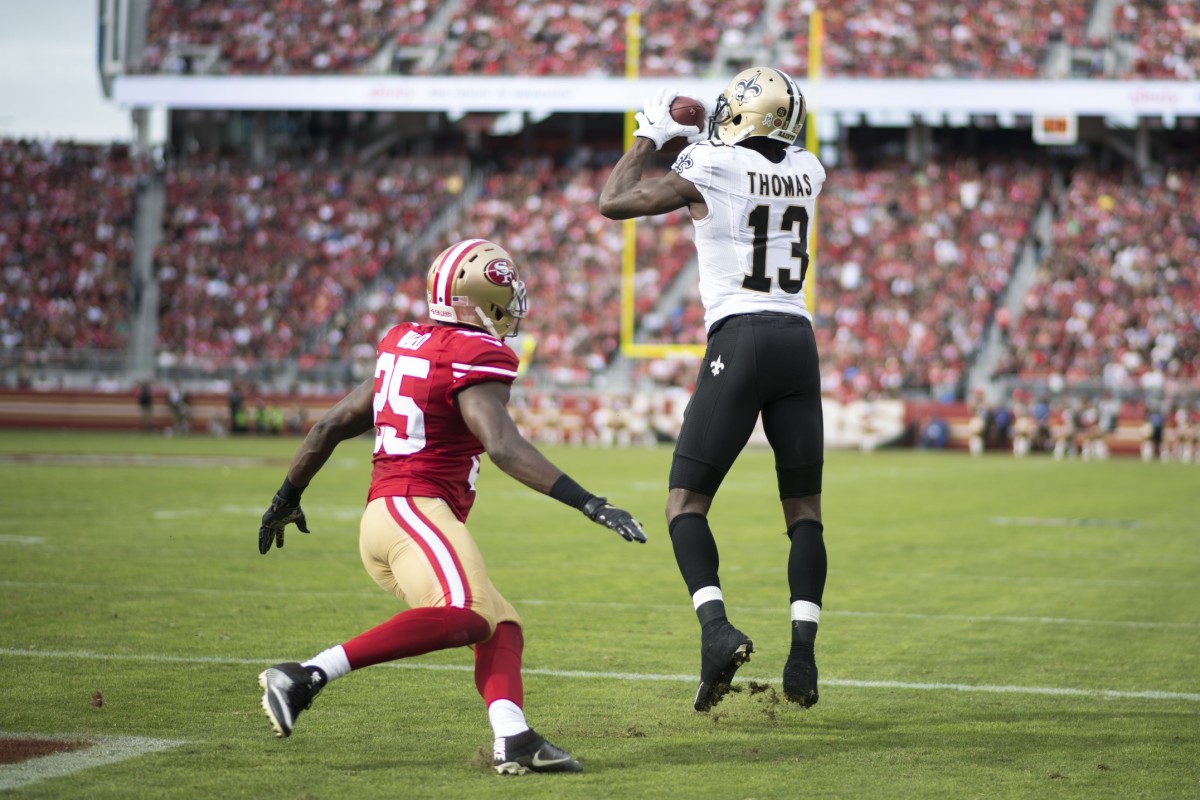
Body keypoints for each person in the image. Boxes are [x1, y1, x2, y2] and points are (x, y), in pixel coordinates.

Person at [255, 239, 646, 775]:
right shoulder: (474, 353)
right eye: (502, 296)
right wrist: (590, 504)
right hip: (416, 510)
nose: (511, 308)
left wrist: (286, 497)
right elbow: (503, 445)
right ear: (475, 299)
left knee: (501, 624)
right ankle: (308, 675)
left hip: (389, 519)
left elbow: (329, 426)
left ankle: (514, 737)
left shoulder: (405, 342)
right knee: (467, 615)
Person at [599, 67, 827, 713]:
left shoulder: (712, 162)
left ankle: (715, 629)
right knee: (804, 513)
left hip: (741, 335)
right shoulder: (811, 169)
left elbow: (614, 201)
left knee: (684, 503)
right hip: (797, 340)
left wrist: (651, 136)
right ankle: (803, 654)